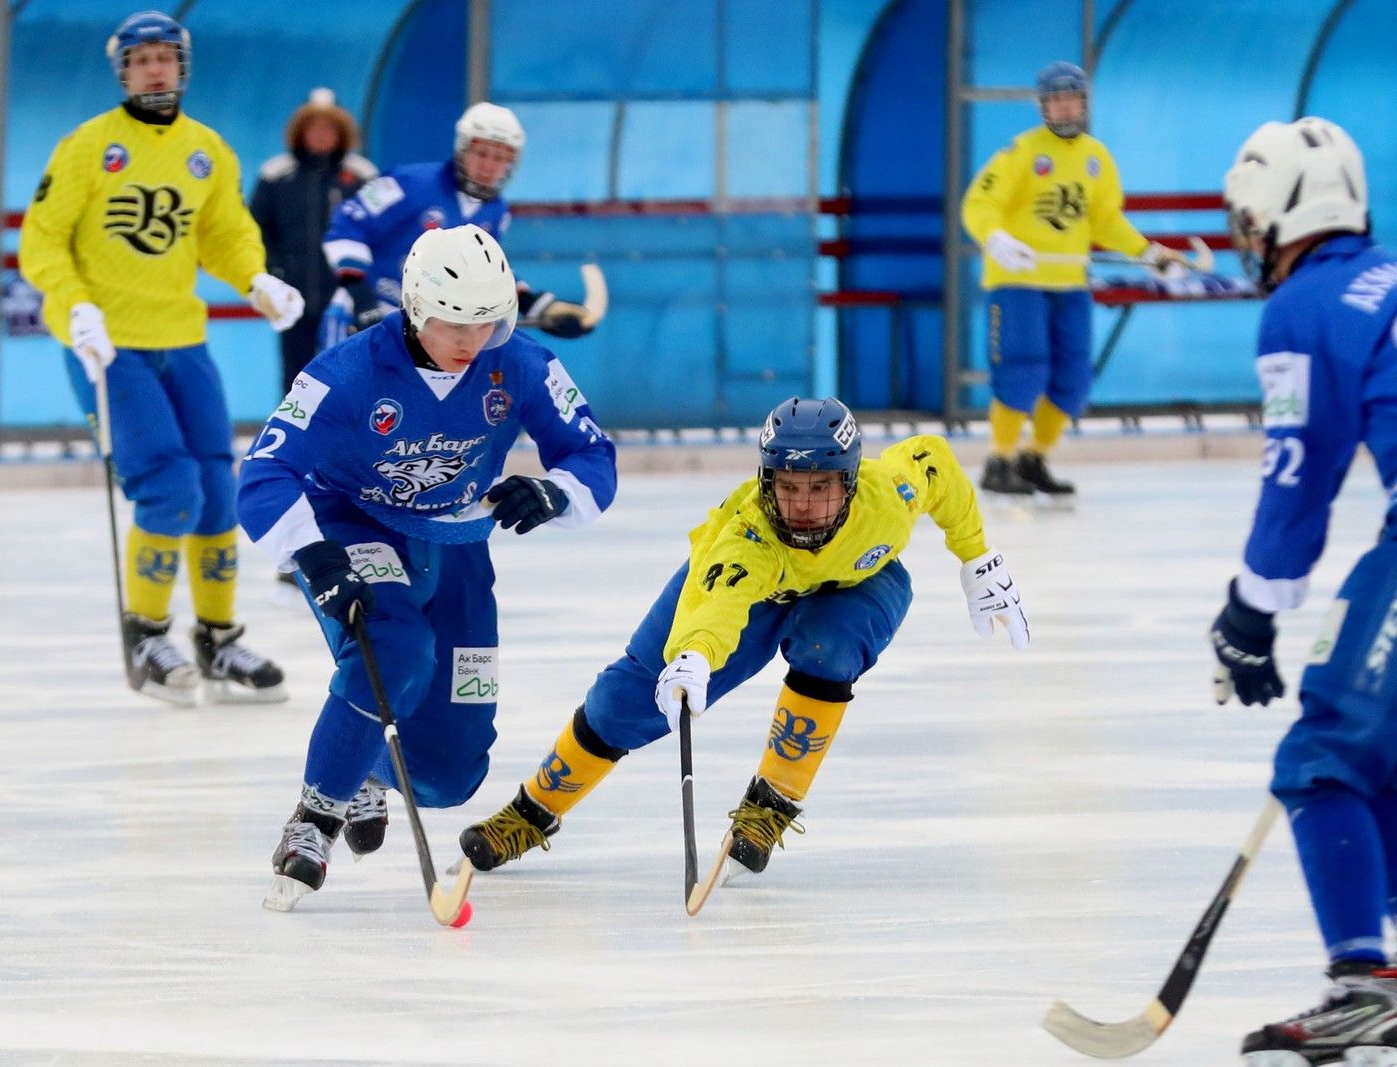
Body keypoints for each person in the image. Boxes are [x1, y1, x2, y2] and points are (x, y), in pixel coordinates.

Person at [457, 397, 1029, 884]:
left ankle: (772, 804)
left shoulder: (890, 495)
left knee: (828, 646)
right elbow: (719, 604)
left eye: (820, 488)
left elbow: (938, 461)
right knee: (624, 702)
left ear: (851, 483)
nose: (802, 506)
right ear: (766, 481)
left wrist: (976, 556)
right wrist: (693, 656)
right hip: (753, 591)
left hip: (855, 583)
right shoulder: (746, 536)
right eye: (788, 487)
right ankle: (532, 812)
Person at [236, 224, 617, 911]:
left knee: (447, 773)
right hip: (357, 523)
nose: (472, 344)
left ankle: (366, 769)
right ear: (414, 307)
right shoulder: (347, 372)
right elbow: (264, 470)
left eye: (489, 323)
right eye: (453, 324)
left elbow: (592, 454)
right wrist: (312, 551)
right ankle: (315, 814)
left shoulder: (522, 363)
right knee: (395, 646)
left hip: (459, 541)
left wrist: (554, 491)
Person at [18, 11, 305, 707]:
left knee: (214, 486)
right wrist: (74, 303)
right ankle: (146, 632)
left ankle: (218, 636)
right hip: (109, 343)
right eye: (141, 59)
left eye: (165, 58)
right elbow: (42, 239)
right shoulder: (89, 146)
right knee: (168, 485)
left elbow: (224, 232)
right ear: (123, 71)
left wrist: (256, 278)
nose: (154, 69)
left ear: (183, 68)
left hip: (182, 338)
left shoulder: (207, 149)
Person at [1209, 118, 1397, 1064]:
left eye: (1251, 223)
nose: (1249, 245)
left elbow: (1299, 473)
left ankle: (1364, 985)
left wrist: (1252, 606)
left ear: (1288, 212)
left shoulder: (1309, 303)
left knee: (1327, 752)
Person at [960, 60, 1185, 497]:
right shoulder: (1021, 152)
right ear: (1043, 106)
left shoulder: (1096, 158)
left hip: (1070, 284)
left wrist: (1149, 254)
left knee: (1074, 377)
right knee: (1023, 369)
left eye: (1072, 99)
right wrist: (997, 238)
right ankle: (998, 461)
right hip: (1018, 282)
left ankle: (1034, 458)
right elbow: (978, 203)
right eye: (1056, 100)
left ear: (1083, 104)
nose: (1065, 109)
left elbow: (1104, 221)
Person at [321, 101, 595, 344]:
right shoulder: (408, 183)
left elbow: (486, 271)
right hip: (363, 315)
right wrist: (361, 297)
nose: (489, 166)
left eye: (500, 158)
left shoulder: (496, 212)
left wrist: (538, 306)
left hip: (427, 329)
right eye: (482, 153)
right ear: (462, 149)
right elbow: (346, 228)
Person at [249, 88, 378, 398]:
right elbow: (255, 231)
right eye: (313, 127)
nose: (321, 135)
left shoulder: (362, 177)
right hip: (294, 299)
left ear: (342, 133)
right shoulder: (276, 176)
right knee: (297, 381)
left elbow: (379, 233)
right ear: (300, 132)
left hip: (347, 303)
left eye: (329, 127)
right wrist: (274, 273)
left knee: (350, 379)